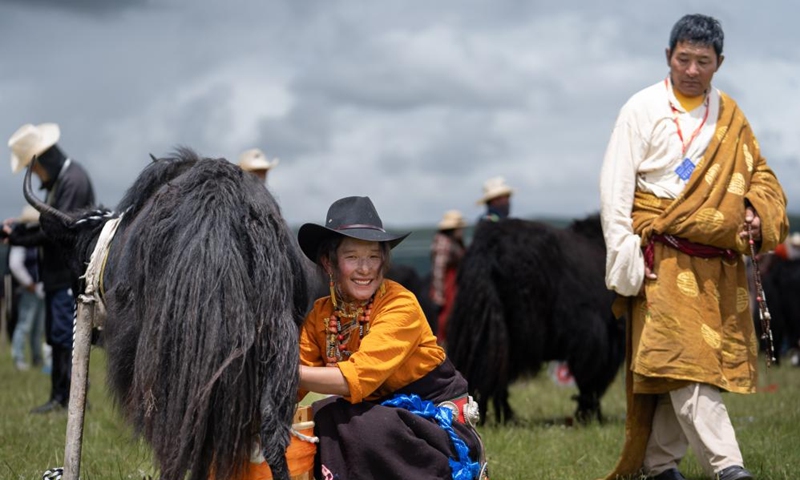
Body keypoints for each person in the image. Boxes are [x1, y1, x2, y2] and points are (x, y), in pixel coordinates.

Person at [599, 14, 788, 480]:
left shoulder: (731, 116)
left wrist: (754, 211)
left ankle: (660, 467)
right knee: (686, 361)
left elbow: (760, 173)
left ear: (718, 63)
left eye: (703, 61)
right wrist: (623, 254)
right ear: (669, 56)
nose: (691, 69)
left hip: (717, 267)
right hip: (659, 257)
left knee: (678, 362)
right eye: (684, 58)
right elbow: (616, 188)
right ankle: (729, 468)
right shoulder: (641, 108)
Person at [296, 196, 487, 480]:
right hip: (375, 420)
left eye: (373, 256)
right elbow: (290, 389)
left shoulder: (400, 304)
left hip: (431, 424)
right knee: (321, 415)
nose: (365, 268)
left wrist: (286, 373)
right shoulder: (321, 315)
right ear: (329, 262)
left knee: (358, 423)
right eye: (352, 257)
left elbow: (357, 377)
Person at [5, 122, 96, 414]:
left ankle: (67, 399)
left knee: (64, 337)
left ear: (43, 161)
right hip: (57, 276)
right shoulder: (64, 181)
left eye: (34, 169)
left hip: (68, 276)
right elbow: (48, 226)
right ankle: (60, 396)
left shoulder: (73, 181)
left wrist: (17, 236)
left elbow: (58, 230)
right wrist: (17, 232)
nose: (35, 176)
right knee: (57, 337)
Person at [8, 205, 45, 371]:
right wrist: (30, 284)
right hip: (28, 289)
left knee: (38, 327)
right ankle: (19, 357)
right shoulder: (21, 239)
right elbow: (15, 265)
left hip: (40, 288)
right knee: (25, 325)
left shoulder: (38, 239)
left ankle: (37, 358)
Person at [429, 209, 467, 345]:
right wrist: (439, 295)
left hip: (452, 284)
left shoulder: (451, 242)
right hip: (447, 286)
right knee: (445, 319)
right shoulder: (444, 244)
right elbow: (439, 270)